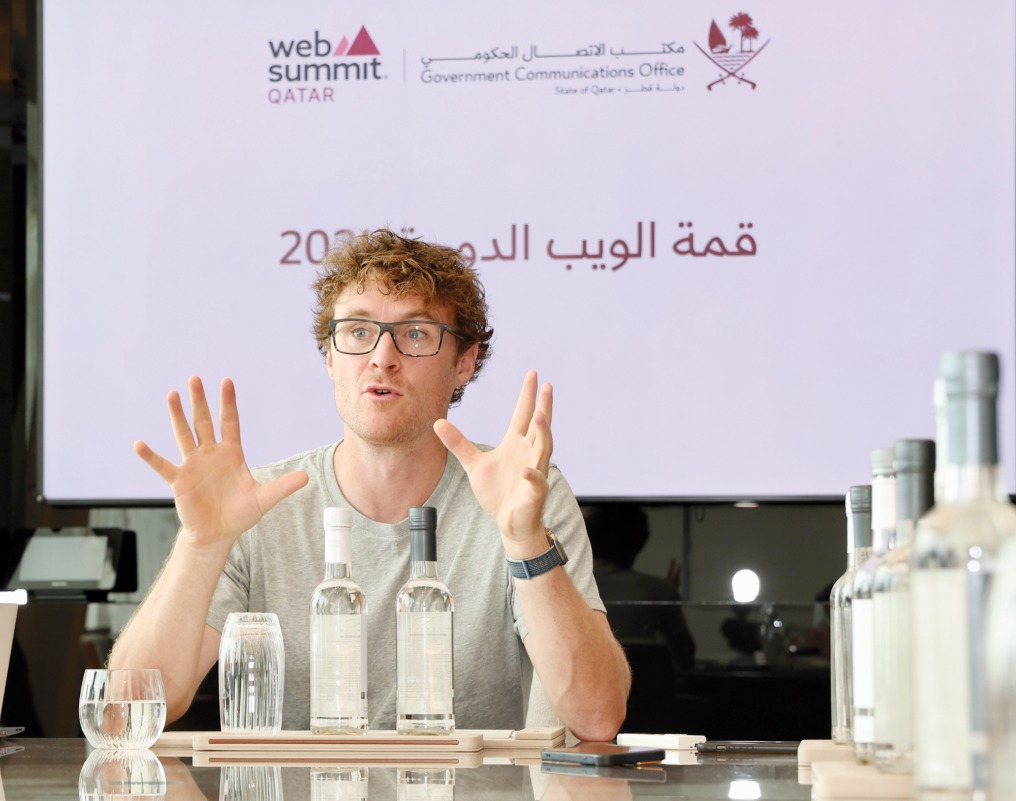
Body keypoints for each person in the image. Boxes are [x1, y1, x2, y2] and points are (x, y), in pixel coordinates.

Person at [108, 229, 629, 740]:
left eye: (416, 333)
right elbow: (125, 717)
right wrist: (202, 544)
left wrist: (524, 538)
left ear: (464, 363)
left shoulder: (524, 493)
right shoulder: (255, 506)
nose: (382, 357)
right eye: (358, 332)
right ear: (330, 358)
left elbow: (597, 717)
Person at [584, 504, 695, 671]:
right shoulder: (659, 590)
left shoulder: (567, 587)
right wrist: (667, 594)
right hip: (649, 687)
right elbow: (685, 657)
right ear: (639, 542)